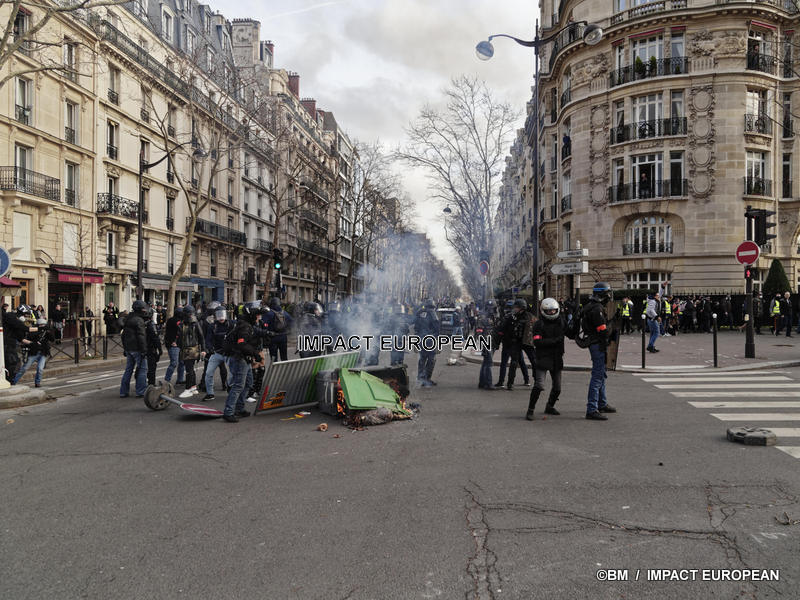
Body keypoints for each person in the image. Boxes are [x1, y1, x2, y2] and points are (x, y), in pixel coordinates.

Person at [582, 282, 617, 420]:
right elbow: (603, 331)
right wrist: (612, 324)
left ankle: (602, 403)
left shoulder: (590, 306)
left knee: (601, 374)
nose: (609, 296)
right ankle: (592, 409)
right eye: (608, 293)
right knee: (597, 377)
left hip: (594, 343)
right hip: (598, 344)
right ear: (603, 294)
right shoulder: (597, 309)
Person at [526, 298, 565, 420]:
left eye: (554, 311)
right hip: (543, 357)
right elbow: (537, 341)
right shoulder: (539, 324)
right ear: (543, 311)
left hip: (557, 357)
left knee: (557, 387)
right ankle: (530, 409)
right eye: (549, 311)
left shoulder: (561, 322)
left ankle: (550, 406)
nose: (552, 313)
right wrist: (554, 341)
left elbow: (570, 332)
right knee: (539, 385)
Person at [222, 303, 260, 423]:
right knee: (239, 385)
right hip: (239, 358)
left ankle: (239, 408)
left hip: (244, 358)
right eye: (258, 315)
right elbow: (242, 344)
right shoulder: (245, 327)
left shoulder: (246, 324)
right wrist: (255, 353)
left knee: (248, 383)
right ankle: (228, 412)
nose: (259, 318)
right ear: (252, 316)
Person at [12, 317, 53, 388]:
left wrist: (49, 332)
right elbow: (29, 338)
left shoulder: (46, 331)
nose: (42, 326)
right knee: (25, 368)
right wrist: (39, 332)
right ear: (38, 325)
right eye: (41, 325)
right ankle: (14, 381)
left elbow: (52, 339)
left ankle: (37, 383)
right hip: (34, 352)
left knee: (40, 369)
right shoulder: (33, 330)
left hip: (43, 352)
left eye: (44, 324)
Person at [119, 300, 149, 398]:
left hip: (129, 348)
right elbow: (141, 336)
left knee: (128, 370)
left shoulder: (128, 319)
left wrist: (125, 348)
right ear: (140, 309)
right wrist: (144, 350)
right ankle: (141, 391)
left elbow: (123, 335)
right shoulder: (139, 320)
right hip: (137, 349)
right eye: (144, 308)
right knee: (142, 370)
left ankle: (123, 391)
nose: (145, 310)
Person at [202, 306, 232, 401]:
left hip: (229, 353)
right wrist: (210, 348)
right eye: (219, 315)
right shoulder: (213, 326)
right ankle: (210, 393)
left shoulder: (231, 324)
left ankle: (231, 389)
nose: (221, 317)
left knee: (233, 373)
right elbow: (208, 339)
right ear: (215, 316)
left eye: (222, 314)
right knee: (208, 373)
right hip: (217, 353)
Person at [177, 305, 206, 398]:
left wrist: (204, 350)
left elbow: (201, 337)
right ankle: (193, 387)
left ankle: (188, 388)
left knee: (189, 370)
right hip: (190, 349)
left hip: (191, 349)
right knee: (190, 369)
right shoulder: (192, 323)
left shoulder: (191, 324)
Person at [414, 299, 440, 387]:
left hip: (421, 339)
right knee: (431, 360)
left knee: (422, 359)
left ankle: (420, 378)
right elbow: (437, 328)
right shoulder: (432, 313)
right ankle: (427, 379)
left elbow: (416, 327)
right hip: (429, 340)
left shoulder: (419, 313)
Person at [4, 306, 32, 383]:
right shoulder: (12, 318)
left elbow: (21, 338)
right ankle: (9, 380)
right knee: (12, 361)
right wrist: (40, 329)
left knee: (14, 362)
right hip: (7, 344)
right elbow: (26, 329)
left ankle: (10, 379)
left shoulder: (15, 321)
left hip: (11, 344)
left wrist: (32, 343)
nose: (26, 317)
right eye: (25, 314)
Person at [264, 297, 292, 362]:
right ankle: (285, 371)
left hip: (273, 337)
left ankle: (274, 371)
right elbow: (292, 322)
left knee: (274, 358)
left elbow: (264, 325)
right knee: (284, 357)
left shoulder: (269, 313)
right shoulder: (285, 313)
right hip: (283, 337)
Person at [163, 306, 186, 384]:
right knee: (174, 363)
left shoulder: (178, 320)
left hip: (179, 344)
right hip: (173, 344)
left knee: (182, 362)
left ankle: (180, 379)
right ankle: (167, 380)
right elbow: (178, 328)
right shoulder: (173, 321)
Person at [143, 307, 161, 386]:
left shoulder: (141, 323)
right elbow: (155, 338)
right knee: (152, 368)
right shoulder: (151, 324)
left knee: (142, 367)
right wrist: (160, 349)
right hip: (150, 349)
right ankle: (151, 384)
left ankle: (141, 383)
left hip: (141, 348)